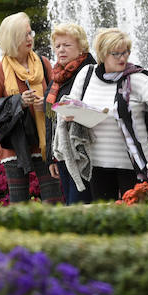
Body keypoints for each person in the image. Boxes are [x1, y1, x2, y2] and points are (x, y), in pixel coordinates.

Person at [66, 28, 148, 201]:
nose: (123, 58)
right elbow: (71, 101)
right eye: (116, 54)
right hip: (97, 164)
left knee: (138, 215)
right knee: (107, 220)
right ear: (103, 54)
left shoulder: (137, 78)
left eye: (126, 52)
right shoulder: (86, 75)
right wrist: (69, 113)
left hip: (133, 165)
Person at [0, 12, 62, 205]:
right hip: (15, 147)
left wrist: (44, 104)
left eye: (30, 33)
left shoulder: (43, 64)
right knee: (20, 206)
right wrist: (18, 102)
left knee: (54, 203)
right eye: (24, 35)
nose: (30, 39)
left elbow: (58, 97)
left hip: (44, 144)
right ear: (12, 39)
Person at [47, 22, 97, 205]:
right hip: (63, 153)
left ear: (81, 47)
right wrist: (51, 158)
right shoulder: (57, 77)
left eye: (67, 45)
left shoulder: (90, 71)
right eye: (58, 46)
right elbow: (50, 120)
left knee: (80, 205)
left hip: (83, 151)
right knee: (71, 204)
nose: (61, 50)